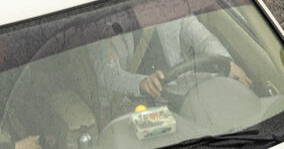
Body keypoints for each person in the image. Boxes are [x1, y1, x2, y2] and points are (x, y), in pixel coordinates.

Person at [96, 15, 249, 102]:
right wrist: (142, 84)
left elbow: (205, 40)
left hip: (178, 90)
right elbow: (107, 73)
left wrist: (228, 63)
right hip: (131, 100)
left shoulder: (171, 8)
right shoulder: (105, 25)